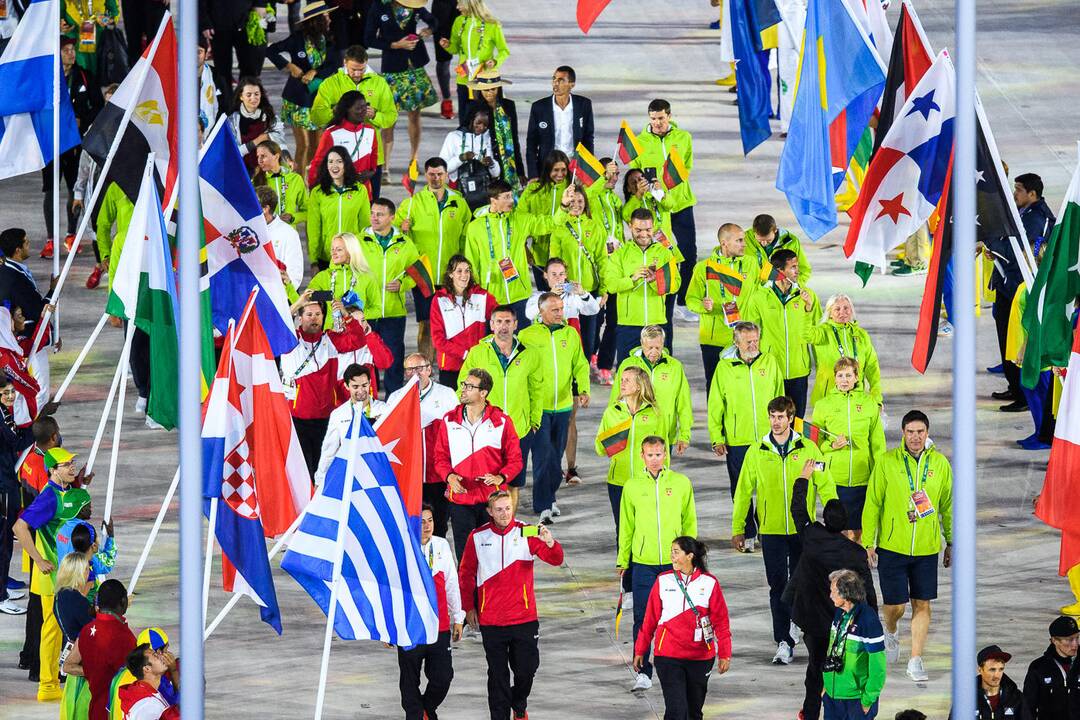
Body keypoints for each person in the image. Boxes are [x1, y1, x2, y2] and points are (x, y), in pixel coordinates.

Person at [732, 396, 837, 665]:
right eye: (772, 416)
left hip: (802, 531)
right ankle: (783, 641)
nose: (776, 421)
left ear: (791, 418)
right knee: (777, 586)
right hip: (772, 530)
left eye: (781, 416)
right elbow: (743, 492)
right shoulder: (757, 451)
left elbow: (825, 485)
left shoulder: (809, 448)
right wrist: (739, 528)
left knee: (804, 584)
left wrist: (836, 522)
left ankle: (803, 627)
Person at [862, 410, 953, 683]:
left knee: (922, 603)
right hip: (892, 546)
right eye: (910, 432)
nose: (915, 437)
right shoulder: (887, 462)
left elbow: (948, 506)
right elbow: (873, 503)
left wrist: (951, 541)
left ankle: (915, 659)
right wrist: (869, 541)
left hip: (926, 548)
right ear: (903, 433)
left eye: (920, 432)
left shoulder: (940, 464)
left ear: (927, 433)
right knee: (896, 607)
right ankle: (890, 630)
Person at [458, 490, 563, 720]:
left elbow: (556, 559)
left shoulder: (527, 531)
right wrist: (469, 608)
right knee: (498, 677)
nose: (505, 514)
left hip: (523, 618)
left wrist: (550, 542)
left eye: (508, 508)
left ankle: (519, 702)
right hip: (491, 621)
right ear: (490, 512)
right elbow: (466, 574)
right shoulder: (477, 537)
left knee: (527, 669)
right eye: (499, 510)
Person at [788, 474, 877, 720]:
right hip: (845, 626)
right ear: (846, 524)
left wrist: (803, 480)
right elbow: (868, 591)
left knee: (816, 671)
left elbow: (798, 511)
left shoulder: (812, 537)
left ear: (824, 519)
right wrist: (873, 621)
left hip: (815, 624)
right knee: (842, 672)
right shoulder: (855, 553)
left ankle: (810, 713)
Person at [12, 447, 92, 701]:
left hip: (66, 573)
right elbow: (20, 527)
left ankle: (55, 678)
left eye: (72, 463)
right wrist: (39, 559)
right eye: (66, 465)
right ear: (52, 471)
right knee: (53, 629)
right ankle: (47, 685)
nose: (72, 467)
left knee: (61, 628)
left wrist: (80, 481)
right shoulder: (48, 498)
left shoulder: (64, 491)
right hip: (52, 575)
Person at [619, 438, 697, 693]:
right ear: (642, 456)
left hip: (673, 565)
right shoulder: (631, 486)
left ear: (666, 455)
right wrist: (623, 560)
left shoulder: (681, 483)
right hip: (643, 564)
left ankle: (677, 666)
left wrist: (690, 557)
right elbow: (626, 526)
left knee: (676, 617)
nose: (654, 459)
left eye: (658, 454)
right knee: (643, 618)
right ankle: (642, 671)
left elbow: (689, 521)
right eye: (649, 454)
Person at [633, 537, 732, 718]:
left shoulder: (710, 583)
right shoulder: (663, 581)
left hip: (700, 658)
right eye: (671, 551)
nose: (672, 556)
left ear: (690, 556)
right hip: (668, 656)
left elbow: (721, 622)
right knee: (677, 711)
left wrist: (725, 653)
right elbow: (649, 620)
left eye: (676, 552)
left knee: (694, 712)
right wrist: (640, 649)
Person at [456, 305, 543, 512]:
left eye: (508, 322)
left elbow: (537, 388)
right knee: (486, 480)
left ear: (516, 324)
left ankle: (508, 525)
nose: (503, 326)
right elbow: (463, 386)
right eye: (499, 322)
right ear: (492, 325)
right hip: (486, 429)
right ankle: (488, 525)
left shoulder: (530, 354)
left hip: (519, 429)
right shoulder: (478, 353)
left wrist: (534, 421)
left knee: (513, 481)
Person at [708, 321, 784, 553]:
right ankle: (747, 532)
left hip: (766, 439)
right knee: (741, 490)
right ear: (736, 342)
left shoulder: (769, 362)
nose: (753, 345)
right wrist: (717, 437)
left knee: (767, 487)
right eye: (748, 341)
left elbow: (780, 398)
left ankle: (766, 529)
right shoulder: (724, 368)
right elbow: (715, 405)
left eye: (755, 340)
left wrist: (782, 429)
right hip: (737, 439)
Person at [433, 368, 523, 556]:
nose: (463, 389)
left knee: (493, 557)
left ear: (483, 393)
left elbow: (515, 460)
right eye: (464, 385)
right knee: (465, 556)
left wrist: (500, 477)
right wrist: (449, 477)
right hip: (460, 499)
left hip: (492, 501)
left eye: (469, 386)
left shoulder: (502, 421)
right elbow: (440, 458)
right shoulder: (449, 420)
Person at [518, 291, 590, 523]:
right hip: (538, 408)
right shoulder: (526, 336)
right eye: (555, 310)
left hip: (563, 406)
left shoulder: (570, 334)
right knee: (543, 456)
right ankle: (544, 505)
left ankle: (550, 497)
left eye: (562, 309)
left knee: (556, 456)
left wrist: (584, 389)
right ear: (541, 312)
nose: (561, 313)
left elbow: (580, 364)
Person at [597, 367, 667, 599]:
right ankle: (627, 587)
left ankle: (644, 582)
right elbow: (599, 447)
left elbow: (663, 450)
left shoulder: (655, 413)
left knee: (644, 531)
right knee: (623, 533)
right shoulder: (612, 411)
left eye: (627, 380)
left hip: (647, 483)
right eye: (621, 380)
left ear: (639, 385)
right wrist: (615, 437)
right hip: (619, 482)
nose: (622, 384)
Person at [990, 173, 1057, 412]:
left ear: (1032, 194)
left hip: (1020, 289)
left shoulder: (1037, 219)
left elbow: (1024, 255)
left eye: (1018, 189)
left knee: (1017, 342)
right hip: (1007, 286)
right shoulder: (1024, 212)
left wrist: (993, 244)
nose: (1015, 193)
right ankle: (1014, 387)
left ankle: (1022, 396)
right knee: (1006, 340)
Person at [280, 298, 368, 477]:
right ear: (299, 317)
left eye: (318, 314)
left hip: (326, 418)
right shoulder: (289, 338)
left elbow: (357, 341)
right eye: (309, 314)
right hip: (297, 419)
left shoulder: (331, 339)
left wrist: (345, 314)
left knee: (324, 471)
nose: (314, 318)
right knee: (302, 473)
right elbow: (276, 324)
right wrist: (298, 302)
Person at [462, 180, 573, 322]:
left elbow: (549, 224)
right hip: (491, 295)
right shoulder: (475, 227)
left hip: (520, 294)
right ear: (493, 201)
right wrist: (475, 293)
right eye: (506, 197)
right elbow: (471, 263)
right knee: (494, 340)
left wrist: (563, 206)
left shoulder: (520, 220)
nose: (511, 200)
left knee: (521, 339)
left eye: (511, 196)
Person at [397, 158, 474, 362]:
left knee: (452, 322)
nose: (436, 178)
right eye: (432, 174)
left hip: (451, 276)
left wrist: (465, 270)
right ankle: (425, 365)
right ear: (425, 175)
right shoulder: (412, 203)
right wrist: (402, 229)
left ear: (446, 175)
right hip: (424, 275)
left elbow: (466, 238)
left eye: (440, 174)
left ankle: (450, 364)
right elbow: (397, 239)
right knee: (426, 323)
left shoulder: (459, 202)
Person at [628, 99, 697, 316]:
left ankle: (684, 301)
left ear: (669, 116)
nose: (657, 122)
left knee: (688, 252)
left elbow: (685, 167)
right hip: (656, 211)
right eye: (653, 118)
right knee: (663, 254)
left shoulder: (684, 138)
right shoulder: (639, 142)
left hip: (681, 204)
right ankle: (664, 299)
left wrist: (666, 188)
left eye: (661, 118)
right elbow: (635, 175)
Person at [809, 358, 887, 542]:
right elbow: (813, 444)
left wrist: (880, 472)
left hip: (863, 478)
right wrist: (831, 446)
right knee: (840, 531)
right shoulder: (823, 405)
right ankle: (841, 569)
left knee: (860, 530)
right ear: (835, 378)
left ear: (857, 377)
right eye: (840, 375)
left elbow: (877, 443)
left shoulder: (869, 404)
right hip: (835, 479)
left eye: (848, 375)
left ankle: (856, 568)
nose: (844, 380)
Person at [397, 504, 463, 719]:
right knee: (409, 679)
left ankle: (425, 709)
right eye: (422, 521)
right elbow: (391, 590)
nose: (426, 526)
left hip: (439, 625)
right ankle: (416, 715)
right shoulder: (403, 548)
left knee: (443, 677)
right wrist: (389, 628)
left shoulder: (442, 545)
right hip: (410, 627)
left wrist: (458, 618)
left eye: (430, 520)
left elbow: (452, 583)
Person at [311, 45, 399, 197]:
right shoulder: (331, 83)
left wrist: (375, 116)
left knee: (370, 204)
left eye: (361, 69)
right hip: (339, 157)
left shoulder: (379, 83)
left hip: (371, 157)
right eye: (353, 69)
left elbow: (391, 116)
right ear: (345, 63)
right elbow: (316, 116)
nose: (357, 74)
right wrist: (338, 111)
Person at [365, 0, 439, 178]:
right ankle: (385, 166)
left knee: (415, 115)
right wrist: (395, 45)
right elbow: (368, 38)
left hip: (414, 67)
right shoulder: (379, 6)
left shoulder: (414, 5)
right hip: (392, 68)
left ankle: (414, 159)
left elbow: (434, 21)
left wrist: (428, 31)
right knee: (389, 119)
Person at [387, 355, 459, 537]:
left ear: (429, 369)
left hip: (438, 474)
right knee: (411, 524)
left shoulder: (447, 394)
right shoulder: (396, 398)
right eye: (410, 369)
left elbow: (458, 430)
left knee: (439, 523)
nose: (415, 373)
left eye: (419, 368)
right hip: (410, 475)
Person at [744, 248, 820, 418]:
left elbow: (816, 332)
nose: (797, 270)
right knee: (774, 418)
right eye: (793, 267)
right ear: (779, 272)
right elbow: (750, 336)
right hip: (771, 370)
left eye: (797, 266)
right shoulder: (759, 297)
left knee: (797, 419)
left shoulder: (807, 296)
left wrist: (821, 366)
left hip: (799, 370)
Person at [686, 222, 761, 391]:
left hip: (745, 339)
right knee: (715, 386)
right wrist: (703, 306)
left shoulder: (751, 264)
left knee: (744, 387)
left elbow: (764, 291)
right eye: (739, 241)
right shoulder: (703, 268)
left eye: (744, 240)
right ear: (724, 243)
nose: (744, 244)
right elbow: (690, 299)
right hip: (714, 339)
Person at [267, 1, 340, 171]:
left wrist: (315, 72)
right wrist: (289, 66)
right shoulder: (297, 39)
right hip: (297, 99)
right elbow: (270, 51)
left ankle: (311, 182)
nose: (329, 19)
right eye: (326, 16)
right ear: (317, 20)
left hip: (319, 99)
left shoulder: (329, 40)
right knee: (304, 146)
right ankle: (299, 184)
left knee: (317, 146)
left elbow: (333, 65)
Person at [356, 197, 420, 393]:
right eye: (372, 213)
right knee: (368, 358)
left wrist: (402, 284)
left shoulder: (405, 243)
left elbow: (417, 273)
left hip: (393, 311)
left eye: (380, 214)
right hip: (367, 312)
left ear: (392, 218)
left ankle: (393, 399)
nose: (374, 218)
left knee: (393, 357)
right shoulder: (358, 242)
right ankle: (369, 398)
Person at [604, 209, 682, 363]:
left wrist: (655, 281)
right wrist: (632, 279)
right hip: (628, 326)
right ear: (630, 227)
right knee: (626, 373)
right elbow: (611, 285)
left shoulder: (664, 253)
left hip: (657, 324)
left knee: (657, 375)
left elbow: (675, 285)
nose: (644, 234)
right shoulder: (620, 254)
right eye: (638, 230)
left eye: (648, 230)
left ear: (653, 227)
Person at [608, 325, 691, 455]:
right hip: (634, 434)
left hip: (664, 434)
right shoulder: (627, 365)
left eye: (657, 348)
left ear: (663, 343)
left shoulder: (675, 367)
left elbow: (684, 403)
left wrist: (684, 435)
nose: (653, 352)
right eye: (649, 348)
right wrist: (613, 435)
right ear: (641, 343)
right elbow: (616, 400)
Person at [61, 579, 136, 720]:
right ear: (123, 602)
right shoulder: (126, 637)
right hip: (114, 711)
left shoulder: (86, 630)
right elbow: (135, 677)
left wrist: (93, 673)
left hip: (91, 709)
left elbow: (68, 666)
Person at [547, 185, 608, 358]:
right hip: (567, 293)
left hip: (589, 290)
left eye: (580, 201)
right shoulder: (559, 228)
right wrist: (558, 288)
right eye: (572, 200)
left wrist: (604, 289)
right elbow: (554, 261)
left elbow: (602, 260)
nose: (577, 204)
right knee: (567, 334)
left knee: (590, 336)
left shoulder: (595, 227)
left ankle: (586, 368)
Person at [821, 569, 886, 720]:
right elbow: (833, 650)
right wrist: (826, 687)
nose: (830, 596)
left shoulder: (869, 621)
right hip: (832, 696)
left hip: (856, 701)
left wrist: (867, 700)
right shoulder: (839, 613)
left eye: (834, 592)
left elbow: (878, 667)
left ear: (846, 594)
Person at [314, 363, 388, 484]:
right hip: (350, 474)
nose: (360, 390)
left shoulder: (384, 410)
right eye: (355, 386)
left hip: (377, 473)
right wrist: (320, 480)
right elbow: (329, 451)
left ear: (370, 382)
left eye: (364, 385)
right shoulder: (338, 415)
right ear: (346, 386)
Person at [429, 255, 496, 388]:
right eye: (459, 271)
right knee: (454, 407)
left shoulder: (482, 296)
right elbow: (438, 340)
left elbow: (500, 319)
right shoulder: (439, 300)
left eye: (467, 270)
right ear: (450, 274)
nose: (464, 275)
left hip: (477, 365)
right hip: (450, 366)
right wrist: (465, 353)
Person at [807, 294, 883, 406]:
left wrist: (876, 396)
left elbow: (872, 368)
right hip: (828, 399)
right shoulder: (822, 332)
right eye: (837, 309)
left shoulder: (861, 335)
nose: (842, 312)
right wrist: (807, 311)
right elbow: (805, 334)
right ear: (830, 313)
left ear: (851, 310)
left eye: (846, 308)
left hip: (856, 397)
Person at [0, 375, 35, 617]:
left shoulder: (5, 412)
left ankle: (1, 587)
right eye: (5, 393)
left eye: (12, 391)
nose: (11, 396)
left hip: (8, 482)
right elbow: (16, 442)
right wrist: (39, 423)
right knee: (2, 541)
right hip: (2, 488)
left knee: (5, 542)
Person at [306, 147, 373, 271]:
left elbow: (365, 225)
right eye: (330, 162)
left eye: (339, 161)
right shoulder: (318, 192)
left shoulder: (360, 190)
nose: (334, 165)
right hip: (327, 257)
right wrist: (314, 260)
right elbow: (313, 228)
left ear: (346, 164)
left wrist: (366, 253)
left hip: (352, 256)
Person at [439, 0, 510, 117]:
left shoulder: (492, 24)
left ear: (469, 3)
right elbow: (455, 49)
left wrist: (495, 61)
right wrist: (447, 46)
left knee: (485, 116)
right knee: (465, 116)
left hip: (484, 78)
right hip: (463, 77)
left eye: (460, 3)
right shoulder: (459, 21)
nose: (457, 7)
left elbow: (504, 50)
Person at [525, 66, 594, 181]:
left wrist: (588, 170)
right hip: (548, 167)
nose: (555, 84)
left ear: (572, 84)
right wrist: (533, 174)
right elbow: (531, 143)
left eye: (561, 80)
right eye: (554, 79)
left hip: (575, 167)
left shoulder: (584, 105)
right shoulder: (539, 107)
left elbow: (588, 139)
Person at [307, 91, 380, 195]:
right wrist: (312, 188)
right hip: (338, 192)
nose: (363, 111)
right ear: (347, 109)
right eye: (358, 108)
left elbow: (374, 155)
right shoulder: (331, 133)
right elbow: (318, 163)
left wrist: (371, 172)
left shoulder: (370, 130)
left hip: (364, 192)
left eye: (365, 107)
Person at [518, 151, 571, 287]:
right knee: (544, 298)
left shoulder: (572, 190)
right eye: (556, 170)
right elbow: (519, 221)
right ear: (547, 169)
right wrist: (524, 248)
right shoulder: (532, 190)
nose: (560, 174)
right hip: (540, 255)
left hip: (566, 255)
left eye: (563, 170)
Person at [53, 553, 95, 718]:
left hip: (71, 655)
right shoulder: (79, 601)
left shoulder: (59, 596)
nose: (88, 572)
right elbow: (94, 627)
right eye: (86, 569)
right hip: (84, 661)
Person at [467, 70, 524, 191]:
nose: (490, 93)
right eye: (486, 89)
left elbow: (514, 138)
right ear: (479, 90)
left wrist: (520, 171)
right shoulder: (473, 108)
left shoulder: (509, 105)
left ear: (498, 88)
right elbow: (468, 136)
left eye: (493, 89)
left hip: (509, 164)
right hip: (486, 163)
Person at [199, 0, 268, 99]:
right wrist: (205, 22)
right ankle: (226, 104)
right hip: (218, 23)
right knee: (222, 70)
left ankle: (246, 102)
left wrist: (260, 4)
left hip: (248, 21)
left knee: (250, 67)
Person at [306, 232, 376, 325]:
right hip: (331, 335)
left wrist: (354, 314)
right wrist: (331, 296)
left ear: (351, 251)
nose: (333, 253)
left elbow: (377, 309)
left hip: (358, 335)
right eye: (332, 249)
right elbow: (307, 298)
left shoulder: (367, 276)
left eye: (338, 249)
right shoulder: (324, 276)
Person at [228, 76, 288, 175]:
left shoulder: (270, 117)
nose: (253, 98)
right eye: (248, 95)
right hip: (243, 171)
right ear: (241, 97)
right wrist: (257, 141)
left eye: (256, 94)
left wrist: (287, 158)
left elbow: (280, 142)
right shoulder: (232, 121)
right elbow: (234, 152)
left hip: (267, 170)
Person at [1023, 615, 1080, 719]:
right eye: (1069, 640)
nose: (1075, 644)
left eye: (1077, 638)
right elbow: (1028, 708)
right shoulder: (1039, 668)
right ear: (1054, 641)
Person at [0, 229, 56, 331]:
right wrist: (53, 291)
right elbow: (38, 312)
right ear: (18, 250)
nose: (29, 243)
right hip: (27, 341)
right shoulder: (16, 281)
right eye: (26, 242)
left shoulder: (6, 269)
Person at [959, 645, 1032, 720]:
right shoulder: (965, 699)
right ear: (980, 670)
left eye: (1001, 669)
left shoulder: (1016, 698)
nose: (997, 675)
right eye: (992, 670)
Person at [439, 105, 501, 188]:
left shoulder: (489, 138)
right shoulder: (454, 137)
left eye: (486, 125)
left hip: (482, 189)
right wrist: (461, 158)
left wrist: (492, 164)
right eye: (478, 123)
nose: (482, 127)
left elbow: (496, 174)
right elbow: (442, 169)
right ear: (471, 120)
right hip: (458, 188)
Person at [257, 186, 305, 288]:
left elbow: (295, 275)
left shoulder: (288, 234)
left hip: (279, 298)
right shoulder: (246, 230)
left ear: (265, 209)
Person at [254, 140, 309, 232]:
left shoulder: (295, 179)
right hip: (266, 236)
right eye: (258, 157)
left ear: (276, 156)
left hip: (288, 234)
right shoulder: (255, 182)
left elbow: (308, 211)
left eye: (263, 156)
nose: (260, 160)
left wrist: (293, 218)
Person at [117, 643, 181, 719]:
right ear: (147, 669)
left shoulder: (141, 690)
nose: (162, 656)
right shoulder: (146, 705)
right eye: (155, 655)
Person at [744, 213, 812, 285]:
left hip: (781, 291)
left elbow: (804, 270)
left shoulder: (791, 242)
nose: (764, 243)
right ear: (754, 232)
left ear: (775, 230)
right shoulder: (743, 240)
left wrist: (794, 287)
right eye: (760, 240)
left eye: (768, 240)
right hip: (754, 292)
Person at [430, 0, 460, 119]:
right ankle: (447, 100)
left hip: (466, 4)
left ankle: (472, 97)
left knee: (471, 54)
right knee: (443, 59)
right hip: (443, 6)